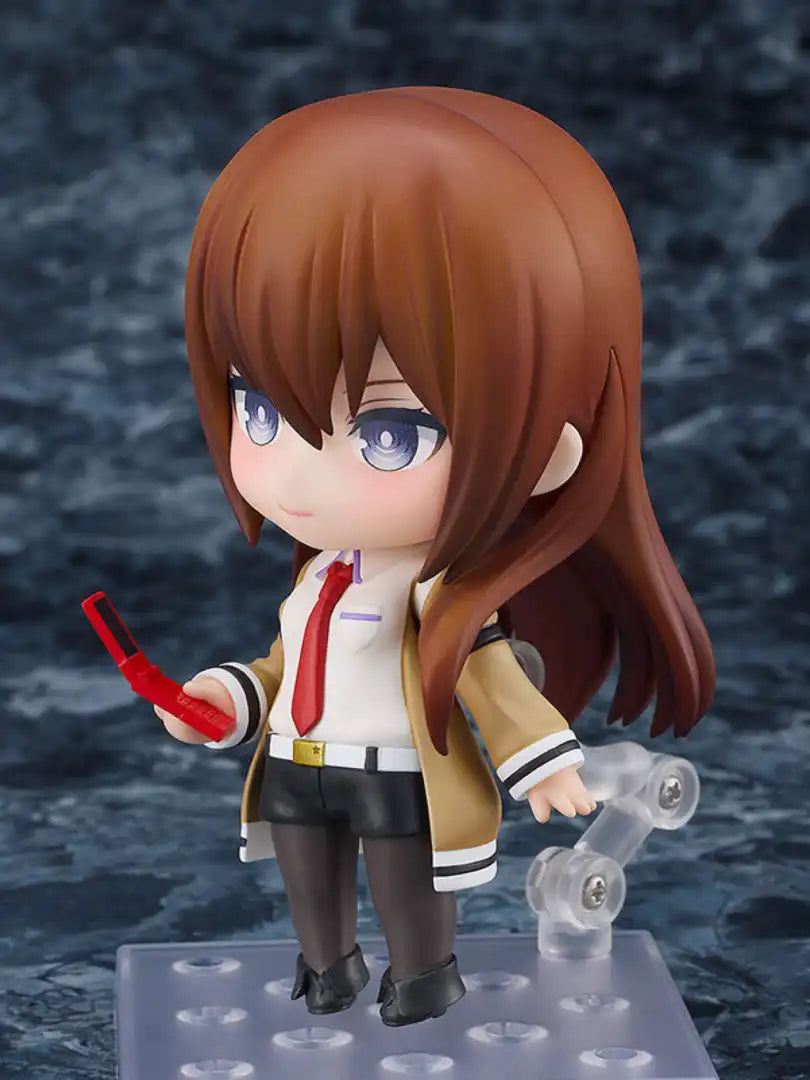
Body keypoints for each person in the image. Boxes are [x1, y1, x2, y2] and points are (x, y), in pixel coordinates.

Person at [155, 87, 715, 1027]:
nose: (296, 472)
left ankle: (421, 976)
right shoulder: (320, 574)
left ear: (549, 452)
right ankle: (326, 967)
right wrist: (227, 698)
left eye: (389, 433)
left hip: (396, 767)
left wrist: (543, 764)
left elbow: (490, 680)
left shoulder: (439, 596)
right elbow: (288, 663)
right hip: (296, 758)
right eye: (260, 407)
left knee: (401, 878)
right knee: (307, 873)